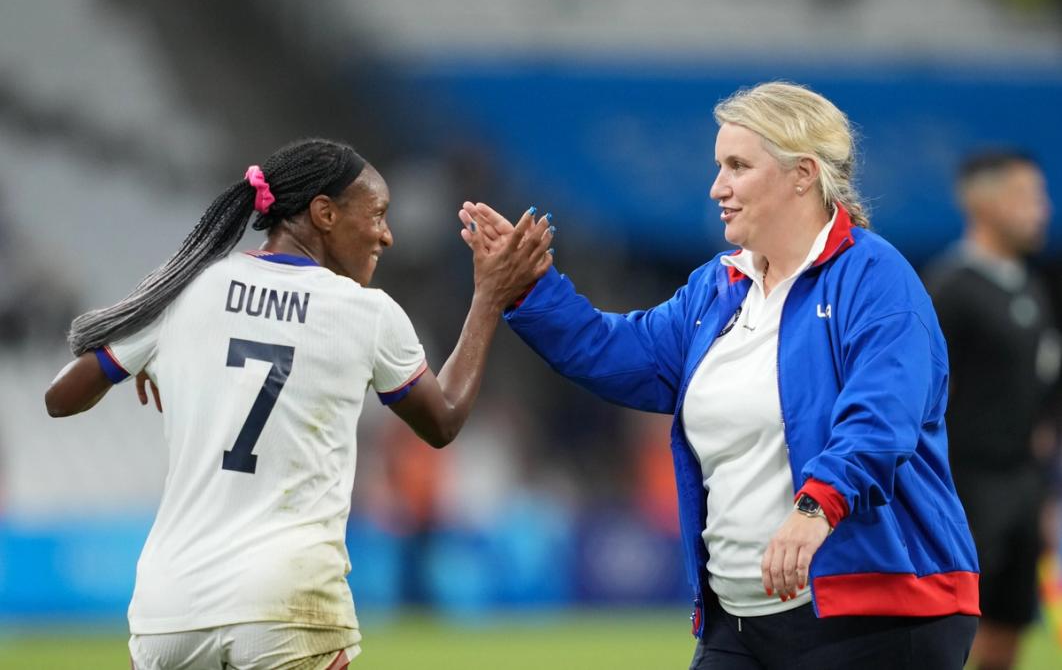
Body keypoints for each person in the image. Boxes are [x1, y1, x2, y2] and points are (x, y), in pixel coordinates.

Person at [460, 82, 980, 669]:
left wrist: (816, 509)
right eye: (718, 166)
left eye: (737, 166)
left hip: (877, 613)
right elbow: (614, 352)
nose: (717, 187)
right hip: (739, 621)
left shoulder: (875, 277)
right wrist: (531, 287)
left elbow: (883, 413)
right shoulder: (717, 286)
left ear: (802, 174)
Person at [44, 138, 553, 670]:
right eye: (377, 214)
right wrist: (489, 298)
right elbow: (443, 418)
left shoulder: (189, 288)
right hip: (285, 601)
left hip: (172, 605)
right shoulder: (365, 313)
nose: (386, 233)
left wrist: (147, 359)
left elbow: (61, 398)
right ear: (324, 213)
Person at [924, 150, 1058, 670]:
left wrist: (1039, 493)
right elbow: (922, 397)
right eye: (1027, 197)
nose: (1042, 210)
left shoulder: (1031, 286)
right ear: (981, 202)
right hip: (965, 490)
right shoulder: (949, 288)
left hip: (1022, 488)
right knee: (951, 632)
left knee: (1008, 629)